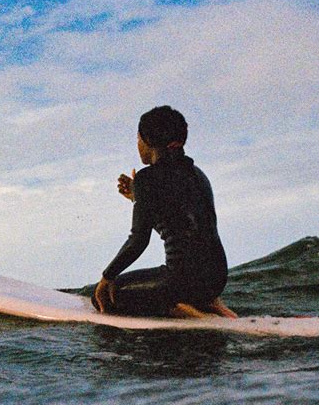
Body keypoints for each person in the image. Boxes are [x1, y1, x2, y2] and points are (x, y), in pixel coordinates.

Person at [92, 106, 237, 319]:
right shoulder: (198, 175)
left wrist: (107, 278)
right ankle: (209, 303)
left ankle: (182, 309)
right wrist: (137, 197)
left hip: (181, 281)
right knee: (183, 277)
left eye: (138, 138)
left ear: (148, 141)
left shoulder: (147, 178)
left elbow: (138, 241)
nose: (138, 145)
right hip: (216, 279)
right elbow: (181, 217)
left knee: (106, 295)